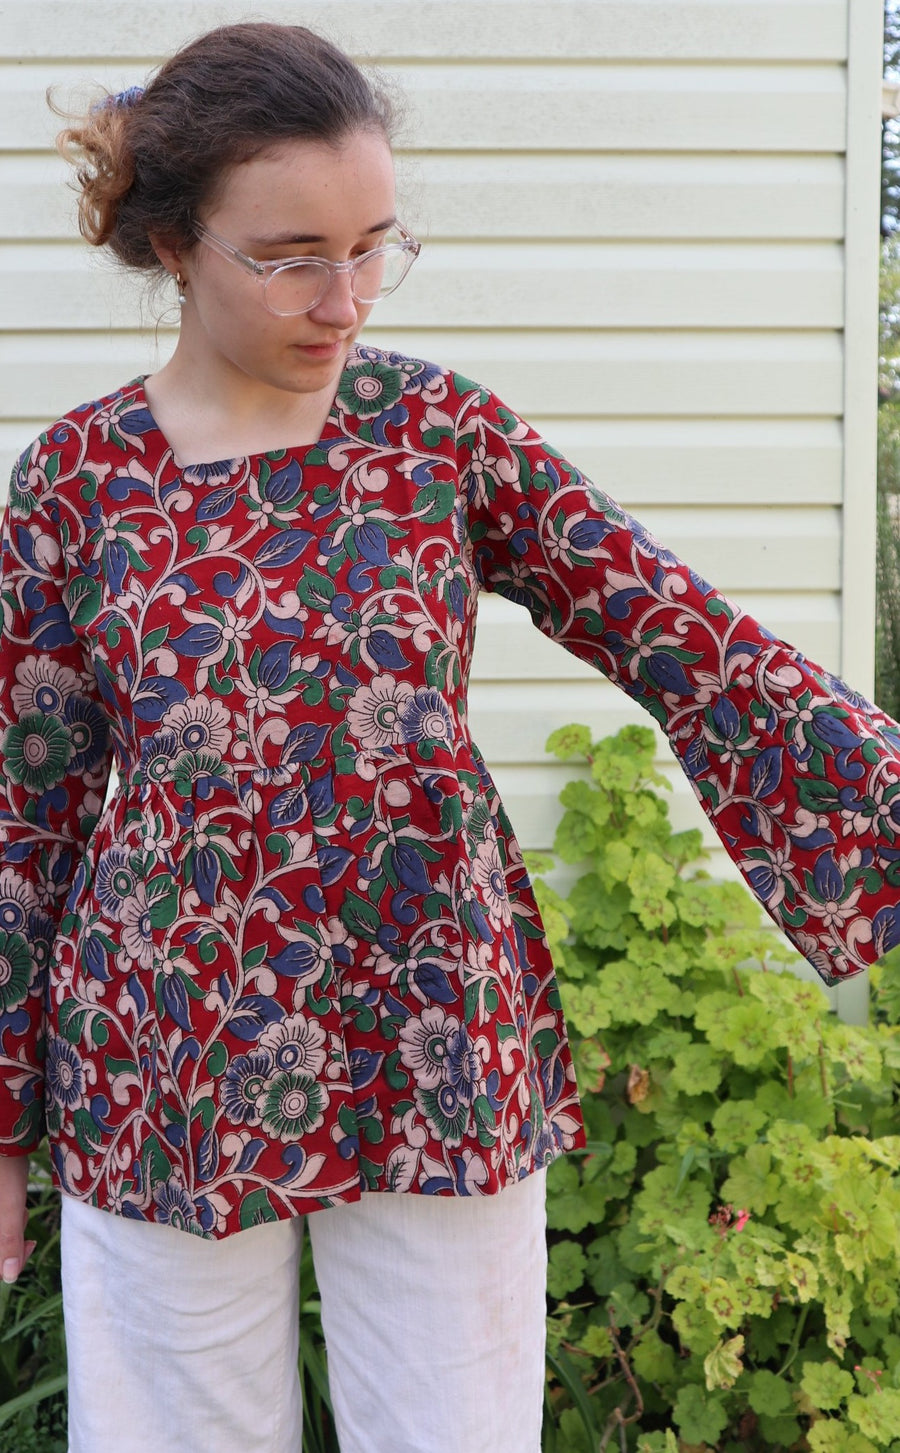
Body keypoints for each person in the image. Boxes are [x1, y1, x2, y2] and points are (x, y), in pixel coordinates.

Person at [0, 19, 898, 1453]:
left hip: (435, 1009)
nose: (343, 295)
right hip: (162, 1037)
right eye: (291, 253)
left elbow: (669, 622)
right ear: (172, 242)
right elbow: (22, 809)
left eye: (373, 243)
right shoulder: (75, 482)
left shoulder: (433, 433)